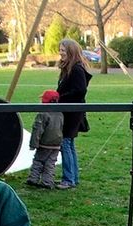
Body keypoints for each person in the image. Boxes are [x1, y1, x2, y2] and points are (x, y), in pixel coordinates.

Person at [55, 38, 91, 190]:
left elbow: (80, 90)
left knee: (65, 143)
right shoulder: (69, 68)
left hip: (72, 112)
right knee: (69, 144)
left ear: (71, 51)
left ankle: (68, 179)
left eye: (63, 50)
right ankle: (73, 178)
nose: (61, 53)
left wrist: (60, 98)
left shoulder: (76, 69)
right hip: (69, 111)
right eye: (60, 50)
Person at [25, 90, 64, 189]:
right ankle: (47, 182)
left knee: (38, 161)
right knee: (50, 163)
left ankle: (33, 179)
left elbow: (37, 130)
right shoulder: (60, 113)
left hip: (44, 143)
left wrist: (33, 144)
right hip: (56, 143)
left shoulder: (42, 114)